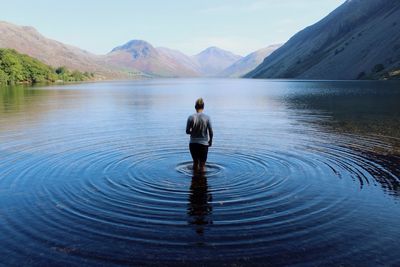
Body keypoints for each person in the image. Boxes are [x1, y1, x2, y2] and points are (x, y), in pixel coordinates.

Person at [186, 98, 213, 172]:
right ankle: (202, 181)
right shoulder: (207, 117)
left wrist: (193, 131)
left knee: (195, 162)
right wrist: (210, 141)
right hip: (203, 144)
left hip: (193, 143)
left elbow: (187, 131)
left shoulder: (191, 117)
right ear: (203, 107)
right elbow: (210, 131)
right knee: (202, 165)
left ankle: (194, 180)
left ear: (195, 107)